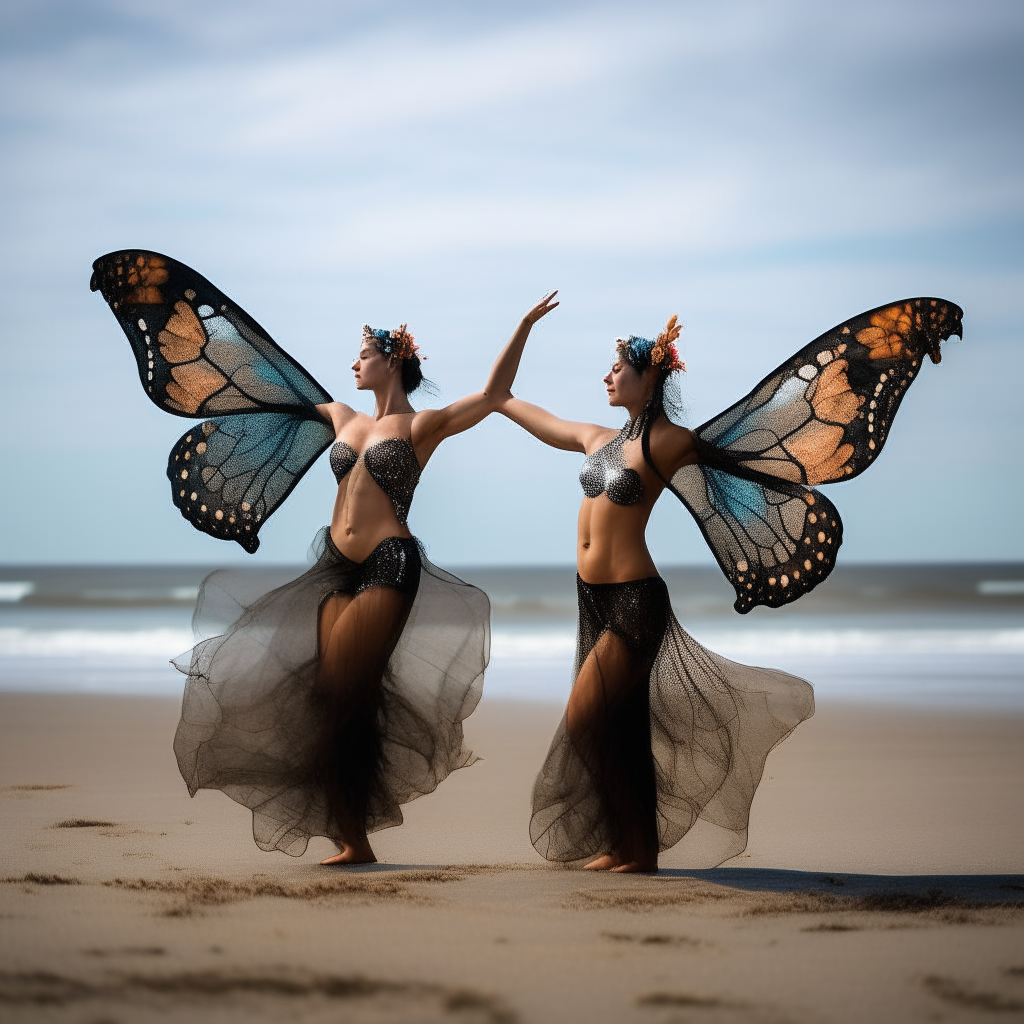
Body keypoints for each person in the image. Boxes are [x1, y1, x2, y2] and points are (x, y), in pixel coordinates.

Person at [89, 247, 557, 864]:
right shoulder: (340, 416)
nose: (353, 364)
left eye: (363, 354)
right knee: (331, 700)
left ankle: (353, 835)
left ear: (392, 361)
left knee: (342, 690)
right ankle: (349, 835)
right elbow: (261, 380)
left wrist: (522, 328)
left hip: (389, 564)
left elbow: (497, 393)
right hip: (334, 566)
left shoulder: (422, 428)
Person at [496, 299, 963, 872]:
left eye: (620, 367)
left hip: (634, 602)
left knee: (584, 719)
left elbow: (784, 415)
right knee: (615, 729)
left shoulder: (668, 444)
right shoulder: (596, 440)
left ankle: (633, 844)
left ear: (652, 377)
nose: (608, 376)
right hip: (590, 599)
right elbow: (502, 399)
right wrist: (522, 329)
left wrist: (899, 345)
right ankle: (632, 847)